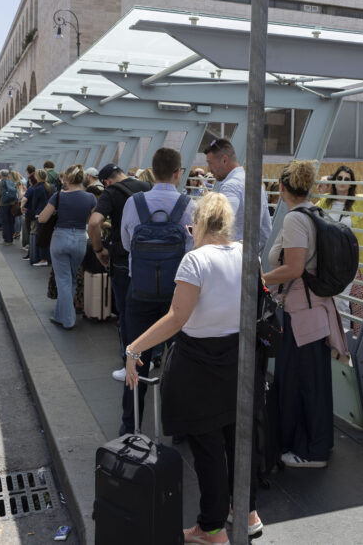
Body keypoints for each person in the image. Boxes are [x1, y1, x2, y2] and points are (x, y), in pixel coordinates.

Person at [124, 192, 263, 543]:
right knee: (238, 440)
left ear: (198, 224)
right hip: (239, 357)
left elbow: (176, 318)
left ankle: (212, 529)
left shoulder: (195, 260)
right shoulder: (250, 253)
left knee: (208, 448)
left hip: (199, 363)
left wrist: (134, 347)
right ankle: (247, 512)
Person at [262, 159, 348, 469]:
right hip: (312, 310)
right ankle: (317, 443)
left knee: (302, 383)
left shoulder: (295, 220)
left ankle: (311, 452)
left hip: (301, 313)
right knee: (312, 381)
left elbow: (295, 268)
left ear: (282, 187)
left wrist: (259, 279)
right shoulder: (314, 213)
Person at [118, 148, 195, 434]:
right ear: (178, 172)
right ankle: (178, 428)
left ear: (151, 171)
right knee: (178, 364)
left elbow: (127, 245)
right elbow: (192, 252)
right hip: (177, 299)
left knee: (135, 358)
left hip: (139, 293)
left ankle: (130, 427)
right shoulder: (188, 205)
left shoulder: (134, 203)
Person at [88, 164, 152, 382]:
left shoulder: (111, 193)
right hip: (148, 257)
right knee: (148, 310)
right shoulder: (147, 186)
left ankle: (130, 363)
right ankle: (149, 357)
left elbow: (93, 223)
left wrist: (99, 250)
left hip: (122, 258)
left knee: (126, 313)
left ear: (106, 181)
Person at [318, 165, 363, 331]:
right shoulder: (325, 202)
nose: (343, 182)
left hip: (353, 261)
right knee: (336, 299)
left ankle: (349, 339)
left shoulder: (361, 201)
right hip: (330, 260)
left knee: (351, 301)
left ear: (351, 184)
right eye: (340, 178)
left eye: (347, 179)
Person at [39, 165, 96, 328]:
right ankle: (59, 315)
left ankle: (68, 320)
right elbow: (93, 222)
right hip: (79, 239)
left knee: (63, 280)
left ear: (66, 179)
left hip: (60, 238)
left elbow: (42, 219)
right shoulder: (90, 197)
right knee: (70, 279)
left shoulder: (58, 197)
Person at [203, 138, 272, 254]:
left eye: (210, 163)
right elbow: (266, 229)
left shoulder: (230, 187)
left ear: (224, 160)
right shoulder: (254, 182)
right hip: (250, 258)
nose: (208, 169)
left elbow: (219, 226)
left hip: (232, 258)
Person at [24, 169, 54, 266]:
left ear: (37, 177)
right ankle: (48, 258)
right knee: (48, 236)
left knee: (41, 237)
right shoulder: (50, 187)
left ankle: (43, 259)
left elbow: (34, 204)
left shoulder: (37, 188)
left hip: (40, 215)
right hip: (49, 214)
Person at [0, 169, 18, 245]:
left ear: (1, 175)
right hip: (12, 205)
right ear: (8, 175)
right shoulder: (12, 182)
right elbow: (16, 194)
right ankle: (11, 239)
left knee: (4, 222)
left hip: (3, 205)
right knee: (11, 221)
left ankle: (7, 240)